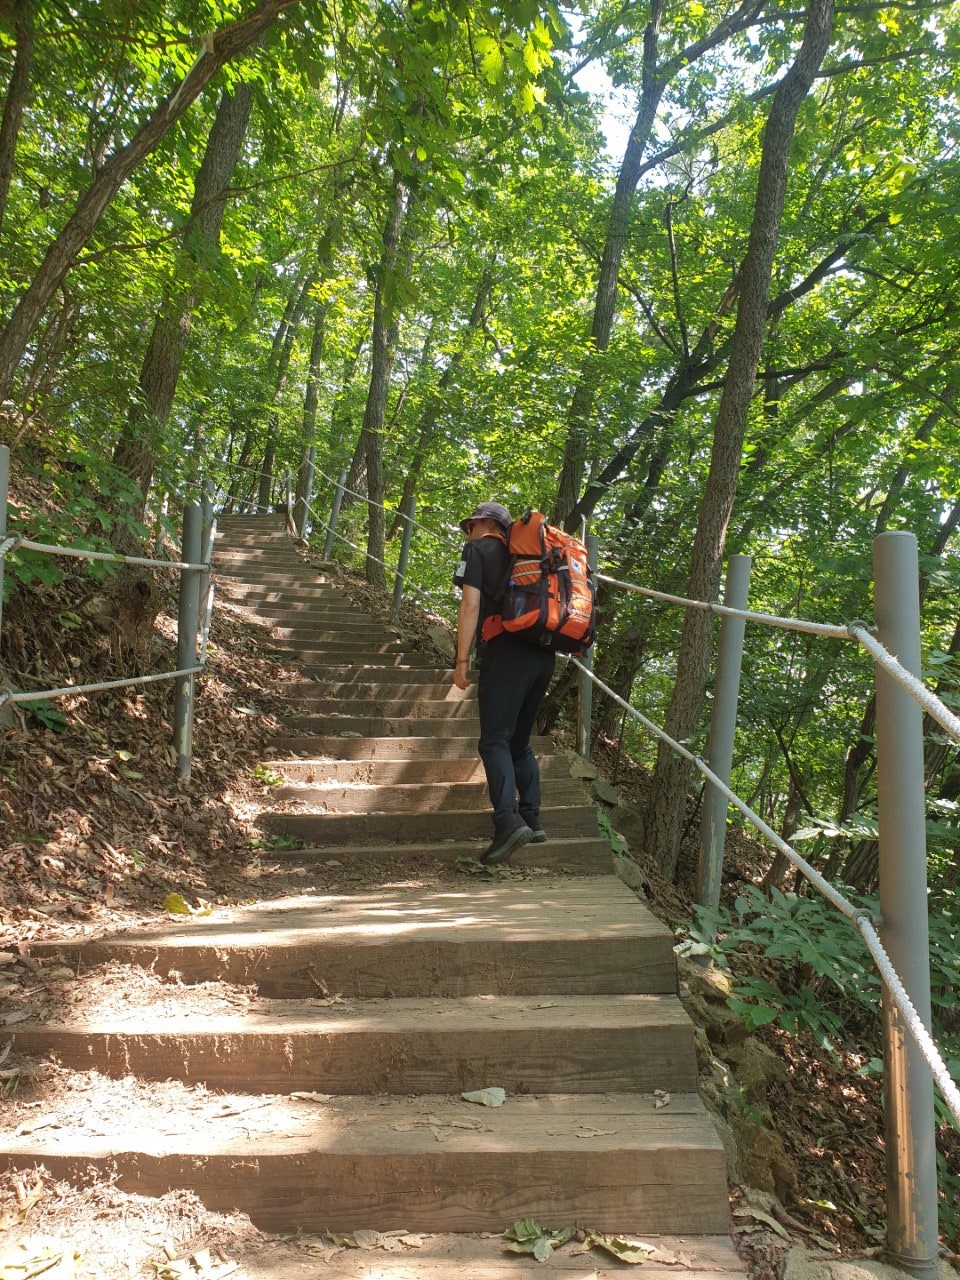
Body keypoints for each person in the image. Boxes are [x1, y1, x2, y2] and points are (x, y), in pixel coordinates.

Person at [453, 501, 556, 865]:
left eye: (470, 526)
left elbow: (470, 605)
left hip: (506, 652)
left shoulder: (478, 549)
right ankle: (531, 818)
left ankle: (507, 822)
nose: (468, 533)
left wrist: (461, 661)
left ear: (484, 523)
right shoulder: (530, 556)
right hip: (544, 653)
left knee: (493, 740)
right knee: (518, 741)